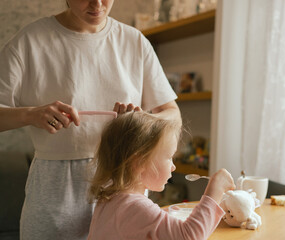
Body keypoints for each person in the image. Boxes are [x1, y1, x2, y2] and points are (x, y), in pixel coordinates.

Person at [0, 0, 181, 239]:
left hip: (123, 188)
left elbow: (172, 115)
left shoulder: (134, 42)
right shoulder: (29, 41)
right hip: (55, 194)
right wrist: (32, 114)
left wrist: (140, 122)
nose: (97, 3)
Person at [87, 111, 236, 240]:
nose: (173, 166)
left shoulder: (108, 199)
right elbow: (188, 236)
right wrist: (214, 191)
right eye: (169, 157)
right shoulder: (134, 207)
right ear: (139, 162)